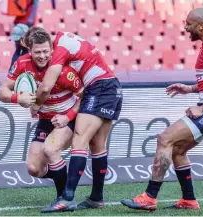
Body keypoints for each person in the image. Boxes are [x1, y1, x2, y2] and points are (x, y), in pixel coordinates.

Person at [120, 7, 203, 211]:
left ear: (201, 25)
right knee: (178, 150)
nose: (186, 27)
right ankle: (189, 200)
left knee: (165, 139)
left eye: (189, 24)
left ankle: (149, 197)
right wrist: (190, 89)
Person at [30, 29, 123, 212]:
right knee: (97, 145)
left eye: (44, 50)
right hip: (110, 86)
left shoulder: (60, 48)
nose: (43, 54)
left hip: (99, 87)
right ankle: (96, 198)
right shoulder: (64, 38)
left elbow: (46, 86)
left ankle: (68, 198)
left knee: (79, 141)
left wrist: (35, 105)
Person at [0, 28, 84, 204]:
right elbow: (1, 91)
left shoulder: (63, 69)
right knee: (34, 169)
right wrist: (17, 97)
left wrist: (68, 115)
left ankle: (64, 199)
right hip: (45, 120)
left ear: (52, 49)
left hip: (67, 119)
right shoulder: (22, 63)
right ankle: (62, 177)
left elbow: (84, 96)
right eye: (38, 52)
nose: (43, 56)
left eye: (46, 51)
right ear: (30, 50)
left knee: (51, 150)